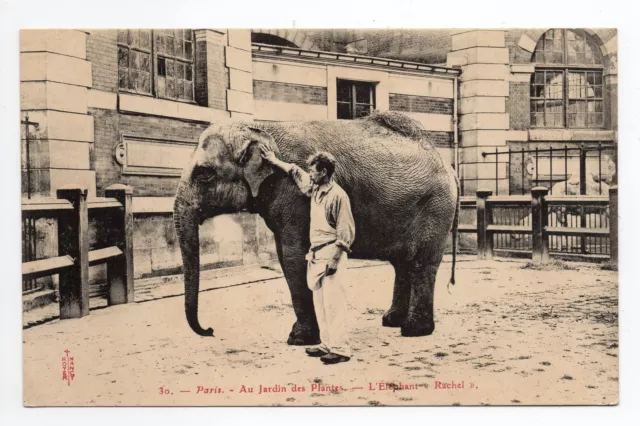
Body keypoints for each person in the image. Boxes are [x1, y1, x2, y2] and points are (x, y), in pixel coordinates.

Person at [260, 145, 355, 365]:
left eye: (313, 171)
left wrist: (335, 259)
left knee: (334, 305)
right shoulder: (315, 191)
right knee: (320, 303)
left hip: (332, 254)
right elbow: (295, 172)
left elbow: (346, 231)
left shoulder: (338, 196)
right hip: (316, 255)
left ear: (323, 172)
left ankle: (341, 349)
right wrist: (274, 160)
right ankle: (326, 344)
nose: (310, 174)